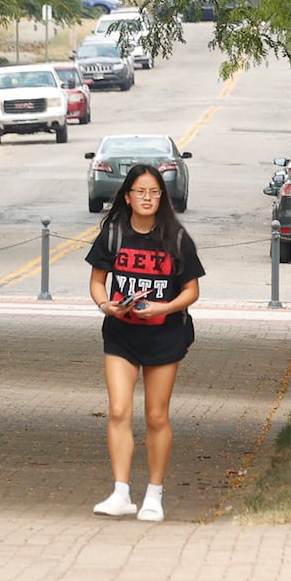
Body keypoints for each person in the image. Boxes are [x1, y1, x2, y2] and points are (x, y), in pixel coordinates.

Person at [84, 163, 204, 522]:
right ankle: (121, 493)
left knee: (156, 415)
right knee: (119, 410)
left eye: (154, 192)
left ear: (162, 197)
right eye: (141, 192)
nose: (148, 198)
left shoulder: (177, 238)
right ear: (128, 196)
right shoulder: (113, 235)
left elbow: (192, 291)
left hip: (164, 335)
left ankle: (154, 494)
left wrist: (164, 308)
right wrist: (106, 305)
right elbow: (96, 283)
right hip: (121, 333)